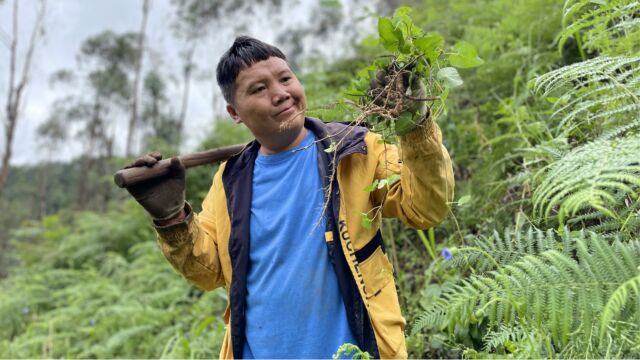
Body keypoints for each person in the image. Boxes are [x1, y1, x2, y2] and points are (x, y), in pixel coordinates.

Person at [125, 36, 454, 359]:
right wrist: (170, 218)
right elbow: (208, 271)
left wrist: (415, 125)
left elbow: (426, 207)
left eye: (285, 78)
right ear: (234, 112)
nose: (280, 93)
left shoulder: (355, 149)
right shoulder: (229, 181)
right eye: (259, 88)